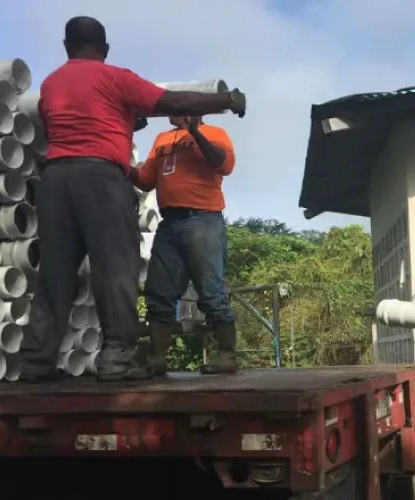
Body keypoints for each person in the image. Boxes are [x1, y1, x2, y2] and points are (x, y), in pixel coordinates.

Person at [19, 16, 246, 383]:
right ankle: (117, 360)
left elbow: (69, 125)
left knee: (55, 274)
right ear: (104, 49)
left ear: (66, 46)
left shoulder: (52, 82)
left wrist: (123, 125)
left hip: (56, 179)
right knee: (116, 270)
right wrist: (225, 99)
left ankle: (36, 362)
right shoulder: (115, 77)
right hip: (100, 179)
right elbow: (168, 100)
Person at [129, 116, 238, 375]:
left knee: (211, 290)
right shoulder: (163, 139)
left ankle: (227, 356)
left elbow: (223, 163)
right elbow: (146, 179)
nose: (170, 112)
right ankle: (156, 359)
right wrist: (120, 163)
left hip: (203, 219)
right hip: (170, 222)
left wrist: (195, 133)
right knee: (158, 291)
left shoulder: (215, 133)